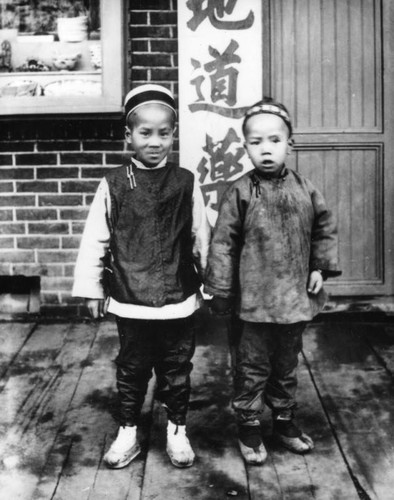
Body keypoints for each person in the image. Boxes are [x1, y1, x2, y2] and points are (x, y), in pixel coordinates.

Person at [72, 84, 210, 469]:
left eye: (164, 133)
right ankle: (129, 427)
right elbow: (96, 238)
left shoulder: (185, 182)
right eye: (145, 133)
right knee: (132, 368)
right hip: (131, 297)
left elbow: (201, 236)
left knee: (177, 368)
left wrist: (214, 285)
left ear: (173, 135)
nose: (155, 142)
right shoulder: (113, 184)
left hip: (178, 298)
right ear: (128, 136)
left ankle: (178, 429)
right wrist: (91, 288)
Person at [204, 97, 341, 465]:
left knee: (286, 364)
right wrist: (219, 290)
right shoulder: (240, 192)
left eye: (275, 140)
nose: (266, 149)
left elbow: (323, 230)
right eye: (256, 142)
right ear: (246, 147)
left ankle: (283, 421)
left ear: (289, 144)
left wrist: (319, 268)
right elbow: (223, 244)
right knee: (251, 366)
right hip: (253, 302)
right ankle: (249, 426)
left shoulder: (306, 189)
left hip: (293, 299)